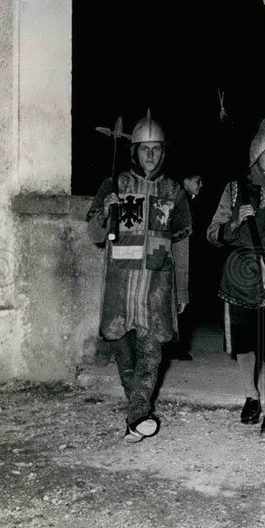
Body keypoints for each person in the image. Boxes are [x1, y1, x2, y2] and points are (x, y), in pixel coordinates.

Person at [86, 109, 191, 442]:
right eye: (143, 148)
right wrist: (105, 211)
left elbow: (182, 242)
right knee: (126, 356)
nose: (149, 154)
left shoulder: (174, 191)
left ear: (163, 151)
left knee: (150, 354)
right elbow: (95, 235)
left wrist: (183, 290)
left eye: (156, 148)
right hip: (121, 289)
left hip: (156, 288)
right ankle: (138, 411)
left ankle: (139, 416)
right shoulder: (113, 184)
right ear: (133, 151)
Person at [207, 119, 265, 428]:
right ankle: (251, 396)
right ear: (255, 154)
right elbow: (212, 234)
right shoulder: (235, 189)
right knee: (244, 343)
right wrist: (233, 224)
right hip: (240, 277)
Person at [165, 173, 205, 361]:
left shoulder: (189, 200)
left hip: (189, 259)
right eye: (197, 181)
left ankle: (177, 347)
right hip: (176, 260)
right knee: (178, 303)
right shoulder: (180, 199)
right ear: (185, 180)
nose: (201, 185)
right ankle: (174, 347)